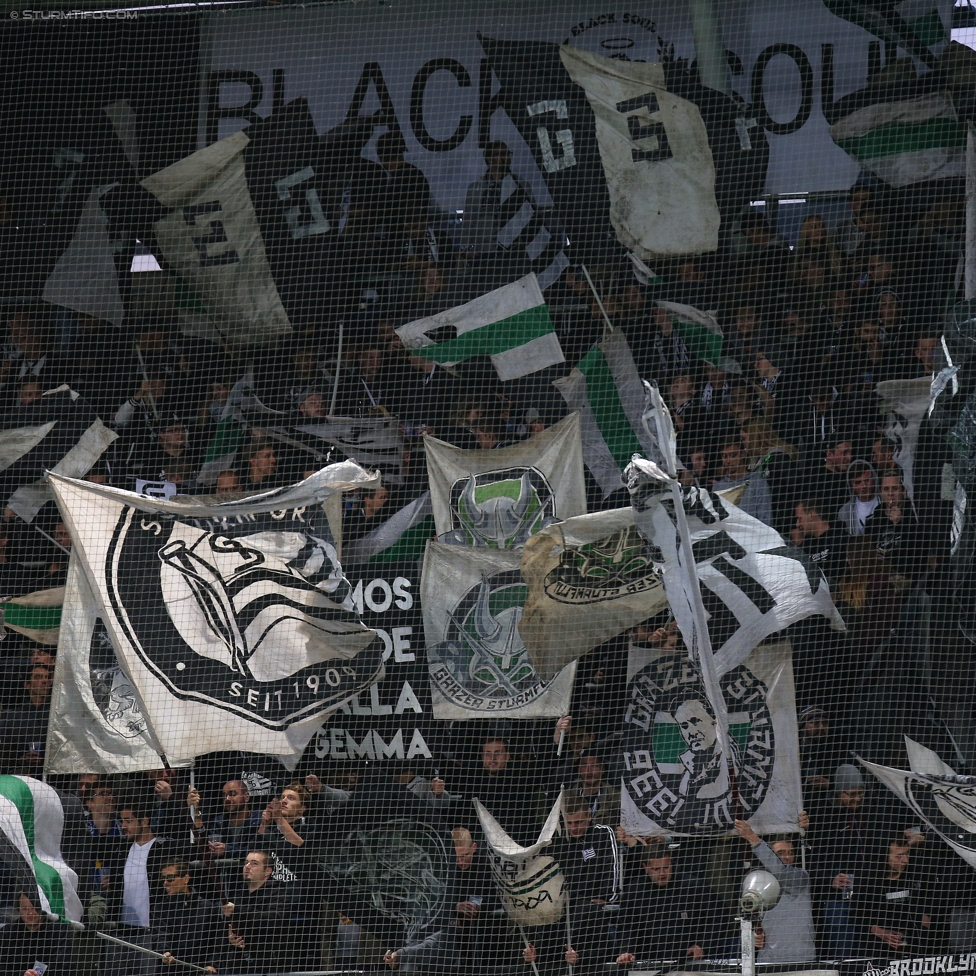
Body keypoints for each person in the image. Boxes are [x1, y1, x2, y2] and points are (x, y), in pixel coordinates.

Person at [615, 845, 717, 963]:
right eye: (656, 869)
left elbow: (716, 919)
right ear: (645, 867)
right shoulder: (634, 891)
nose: (662, 873)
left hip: (689, 961)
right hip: (648, 962)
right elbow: (627, 927)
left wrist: (701, 945)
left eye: (666, 867)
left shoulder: (693, 887)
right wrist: (627, 952)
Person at [734, 819, 817, 963]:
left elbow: (780, 871)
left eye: (790, 852)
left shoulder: (800, 877)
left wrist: (752, 838)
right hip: (768, 961)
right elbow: (749, 918)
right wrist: (754, 936)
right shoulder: (756, 881)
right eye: (780, 852)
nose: (786, 857)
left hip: (801, 960)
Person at [853, 835, 932, 957]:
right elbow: (857, 915)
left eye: (907, 854)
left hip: (915, 944)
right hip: (877, 947)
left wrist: (925, 922)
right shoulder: (866, 878)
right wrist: (882, 933)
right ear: (885, 857)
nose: (905, 860)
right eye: (899, 856)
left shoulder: (917, 872)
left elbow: (929, 904)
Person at [222, 850, 287, 973]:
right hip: (238, 962)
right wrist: (230, 939)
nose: (247, 867)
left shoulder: (278, 893)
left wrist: (238, 910)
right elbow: (225, 926)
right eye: (246, 862)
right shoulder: (238, 894)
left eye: (254, 863)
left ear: (268, 871)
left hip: (269, 963)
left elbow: (273, 920)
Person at [153, 858, 221, 973]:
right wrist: (164, 952)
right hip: (171, 969)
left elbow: (217, 940)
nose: (165, 883)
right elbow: (161, 934)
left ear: (185, 879)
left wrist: (212, 964)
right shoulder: (160, 908)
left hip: (200, 970)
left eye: (170, 878)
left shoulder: (208, 908)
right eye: (163, 879)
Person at [0, 891, 73, 976]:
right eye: (25, 909)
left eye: (34, 907)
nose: (30, 913)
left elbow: (61, 964)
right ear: (18, 909)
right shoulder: (7, 932)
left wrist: (37, 974)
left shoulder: (59, 931)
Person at [0, 663, 53, 774]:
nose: (44, 681)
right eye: (38, 677)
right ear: (27, 684)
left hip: (52, 777)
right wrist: (20, 760)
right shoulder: (11, 717)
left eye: (47, 677)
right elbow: (4, 753)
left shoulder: (57, 716)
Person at [713, 439, 774, 526]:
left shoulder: (758, 483)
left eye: (732, 455)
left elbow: (766, 520)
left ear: (742, 454)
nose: (728, 461)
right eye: (724, 456)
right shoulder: (717, 488)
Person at [793, 499, 849, 587]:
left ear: (811, 515)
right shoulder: (804, 549)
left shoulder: (843, 540)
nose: (797, 524)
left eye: (799, 518)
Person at [207, 779, 264, 859]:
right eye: (224, 796)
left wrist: (227, 850)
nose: (227, 799)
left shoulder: (259, 821)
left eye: (233, 794)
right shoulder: (218, 822)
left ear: (246, 797)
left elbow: (258, 851)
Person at [837, 460, 880, 536]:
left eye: (867, 480)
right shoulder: (845, 511)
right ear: (851, 485)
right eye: (858, 482)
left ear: (874, 478)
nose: (864, 486)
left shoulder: (885, 501)